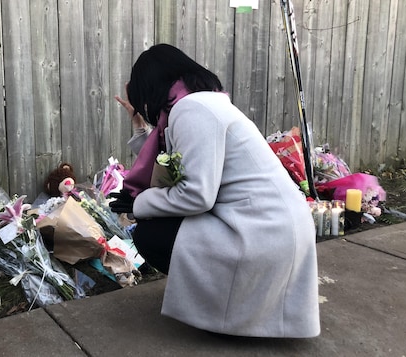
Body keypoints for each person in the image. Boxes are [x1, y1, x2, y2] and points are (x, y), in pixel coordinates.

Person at [110, 44, 320, 338]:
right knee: (159, 224)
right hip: (271, 226)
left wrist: (139, 204)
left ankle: (223, 307)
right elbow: (174, 167)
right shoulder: (202, 103)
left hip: (263, 232)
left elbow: (196, 194)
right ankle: (222, 304)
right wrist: (141, 130)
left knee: (151, 234)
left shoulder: (192, 110)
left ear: (151, 87)